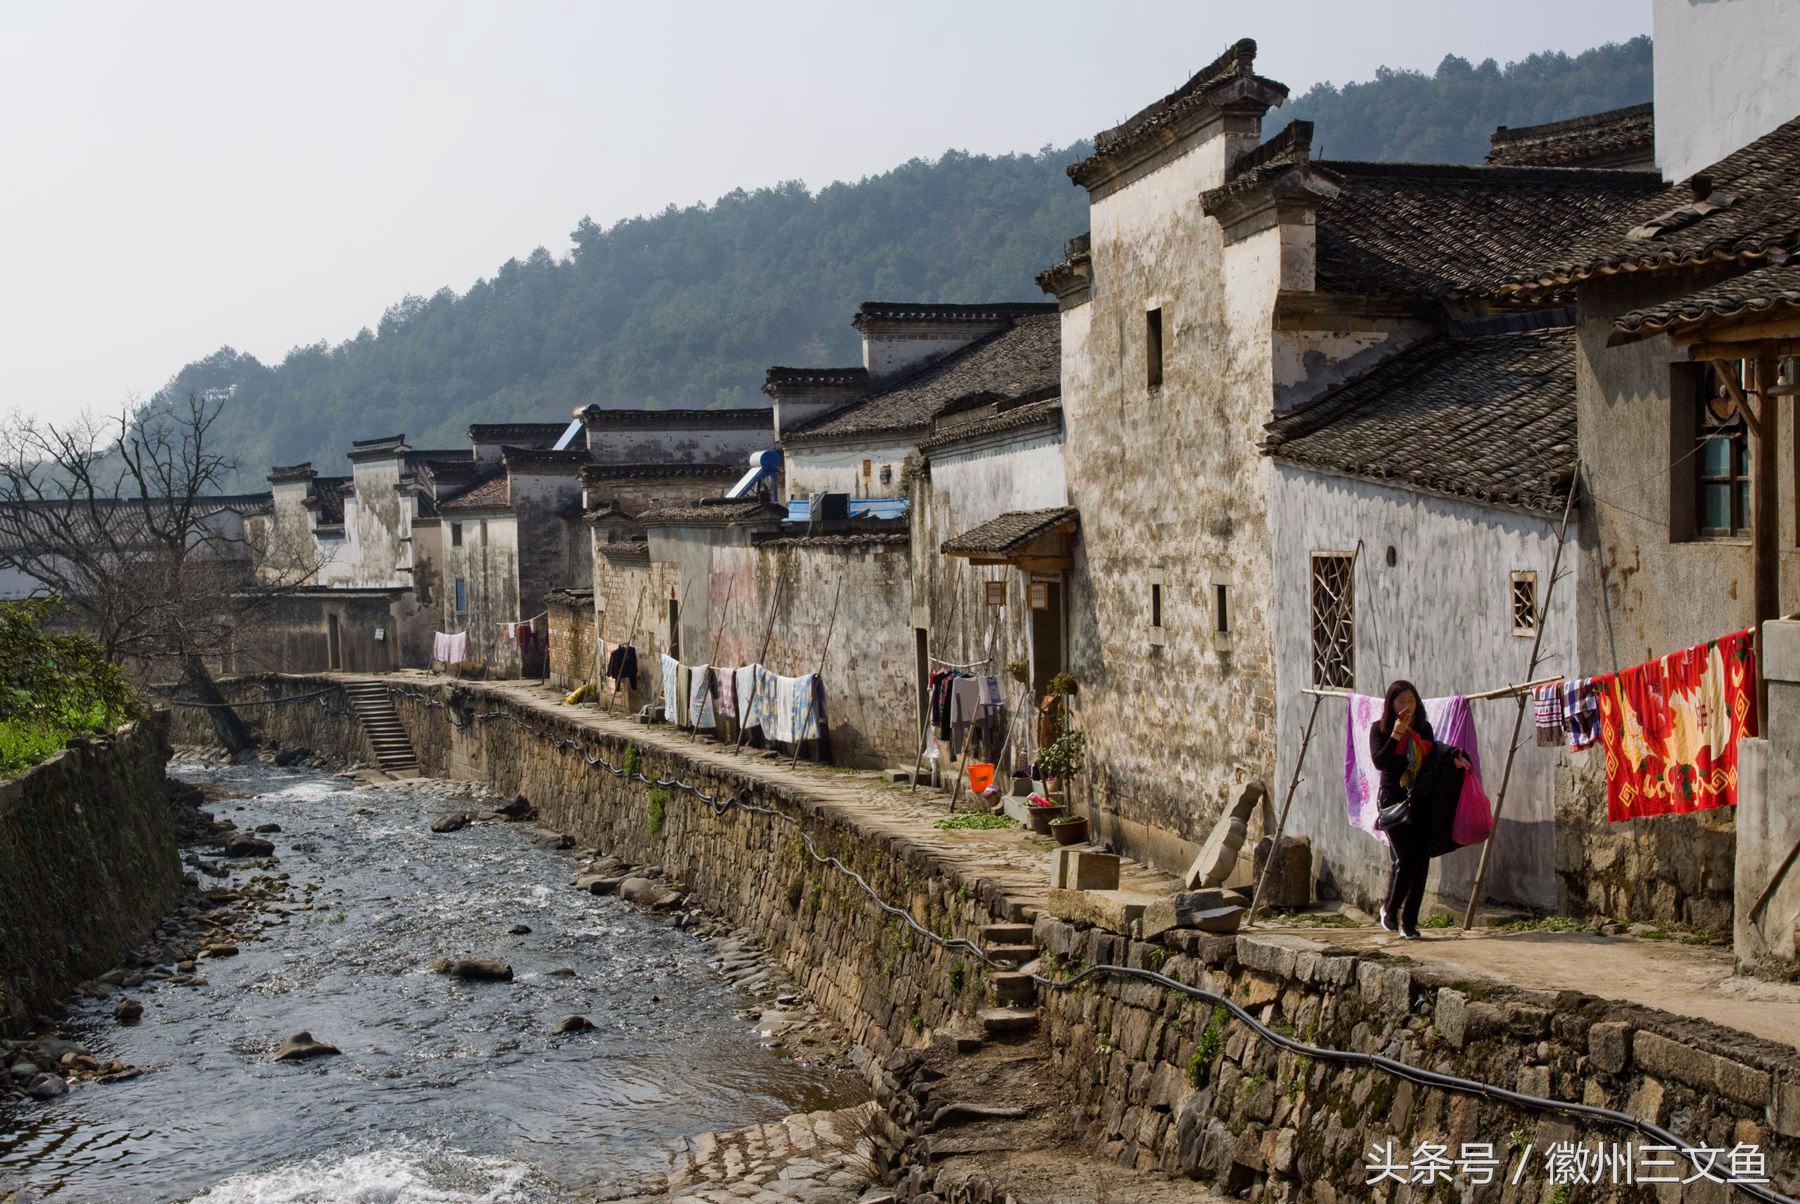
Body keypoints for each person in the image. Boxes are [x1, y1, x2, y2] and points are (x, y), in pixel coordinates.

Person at [1369, 680, 1470, 939]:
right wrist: (1396, 735)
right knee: (1405, 859)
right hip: (1393, 799)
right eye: (1401, 702)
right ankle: (1390, 910)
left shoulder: (1424, 728)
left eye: (1411, 701)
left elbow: (1433, 758)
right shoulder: (1379, 730)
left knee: (1422, 860)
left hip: (1421, 799)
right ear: (1391, 705)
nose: (1407, 707)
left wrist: (1453, 760)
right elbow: (1381, 762)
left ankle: (1410, 923)